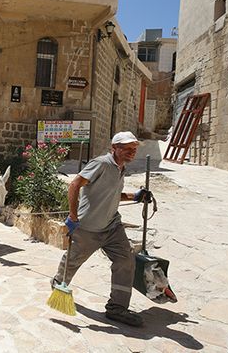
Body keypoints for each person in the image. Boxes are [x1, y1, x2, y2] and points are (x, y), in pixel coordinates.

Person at [51, 131, 149, 327]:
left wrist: (135, 196)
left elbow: (111, 194)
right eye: (127, 148)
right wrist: (72, 215)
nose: (132, 152)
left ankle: (117, 308)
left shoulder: (121, 168)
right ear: (114, 148)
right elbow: (75, 185)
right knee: (72, 262)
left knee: (125, 261)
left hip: (112, 226)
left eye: (134, 149)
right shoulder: (102, 163)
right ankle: (57, 284)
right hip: (89, 228)